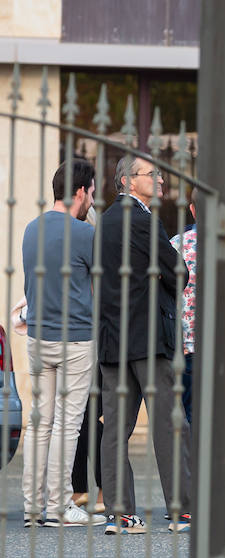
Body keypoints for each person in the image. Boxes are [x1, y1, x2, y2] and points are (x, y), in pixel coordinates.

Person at [98, 155, 195, 534]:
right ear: (126, 181)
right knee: (171, 425)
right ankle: (182, 510)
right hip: (149, 339)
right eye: (151, 174)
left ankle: (120, 513)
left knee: (114, 429)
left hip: (112, 341)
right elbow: (178, 271)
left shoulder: (104, 221)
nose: (160, 180)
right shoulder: (140, 219)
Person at [20, 159, 104, 528]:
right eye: (92, 194)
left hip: (39, 336)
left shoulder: (30, 229)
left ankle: (32, 507)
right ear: (81, 191)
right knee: (67, 426)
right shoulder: (85, 233)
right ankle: (59, 506)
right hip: (76, 339)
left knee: (39, 424)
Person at [170, 194, 197, 424]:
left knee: (188, 412)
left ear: (192, 209)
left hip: (186, 344)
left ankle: (192, 460)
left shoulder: (178, 243)